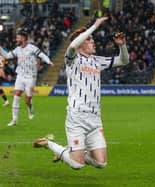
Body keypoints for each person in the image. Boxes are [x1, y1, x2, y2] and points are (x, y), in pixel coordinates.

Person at [33, 17, 129, 170]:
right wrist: (94, 27)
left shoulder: (97, 60)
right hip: (77, 116)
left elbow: (123, 61)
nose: (93, 42)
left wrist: (122, 46)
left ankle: (72, 150)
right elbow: (72, 46)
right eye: (89, 40)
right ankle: (50, 144)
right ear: (81, 42)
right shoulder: (72, 59)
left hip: (95, 118)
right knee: (77, 165)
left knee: (101, 163)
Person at [0, 29, 54, 126]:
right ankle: (14, 120)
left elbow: (42, 55)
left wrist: (48, 61)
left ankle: (30, 108)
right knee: (16, 95)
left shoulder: (32, 48)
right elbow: (7, 56)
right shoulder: (17, 49)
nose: (16, 39)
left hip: (31, 76)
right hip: (20, 75)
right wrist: (0, 48)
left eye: (18, 37)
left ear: (23, 38)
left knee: (27, 100)